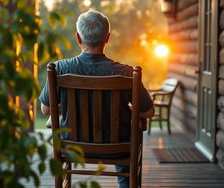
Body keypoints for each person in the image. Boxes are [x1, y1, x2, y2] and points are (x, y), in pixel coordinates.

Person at [39, 10, 154, 188]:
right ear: (107, 38)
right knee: (127, 141)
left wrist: (73, 107)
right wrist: (125, 110)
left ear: (78, 38)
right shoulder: (127, 73)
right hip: (118, 148)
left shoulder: (59, 69)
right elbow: (148, 111)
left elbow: (46, 110)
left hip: (73, 147)